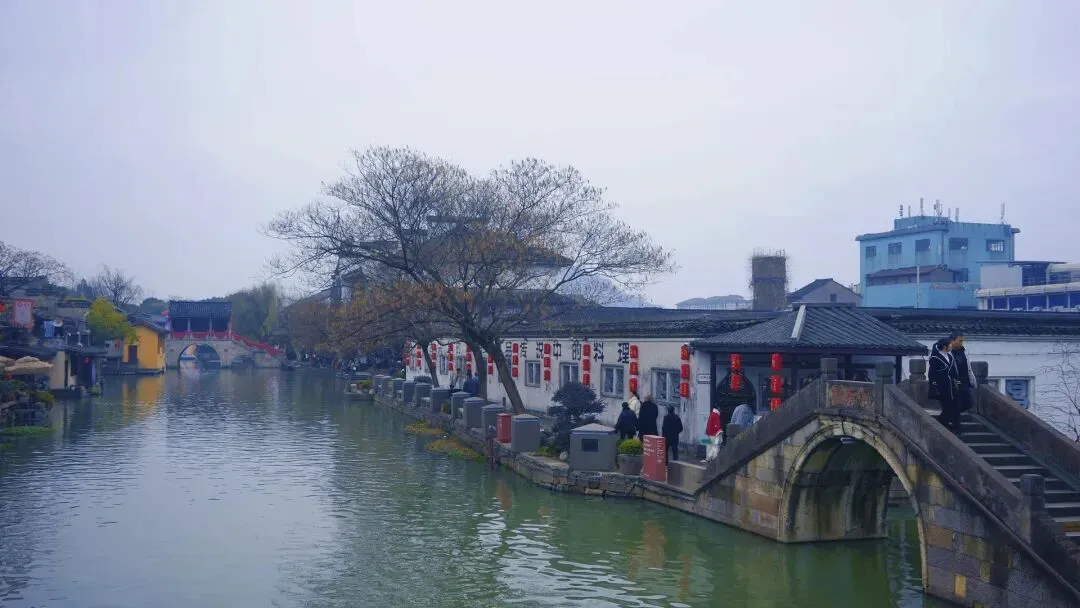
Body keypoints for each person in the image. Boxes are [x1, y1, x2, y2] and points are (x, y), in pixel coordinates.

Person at [928, 337, 961, 435]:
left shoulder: (950, 357)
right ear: (944, 346)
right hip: (942, 387)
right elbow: (931, 374)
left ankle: (955, 427)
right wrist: (934, 385)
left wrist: (958, 381)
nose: (951, 346)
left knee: (956, 407)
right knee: (947, 408)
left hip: (952, 387)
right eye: (950, 344)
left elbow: (953, 372)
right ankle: (943, 425)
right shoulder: (935, 358)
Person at [950, 333, 976, 415]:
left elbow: (968, 367)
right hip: (954, 382)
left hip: (965, 381)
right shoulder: (948, 352)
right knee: (956, 404)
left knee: (968, 403)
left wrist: (972, 380)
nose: (961, 343)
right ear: (952, 341)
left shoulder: (964, 351)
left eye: (962, 341)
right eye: (960, 341)